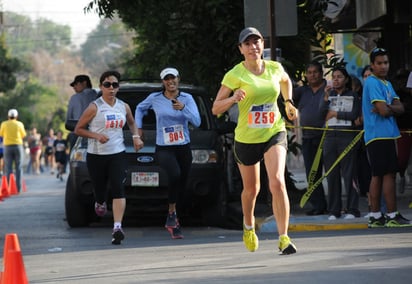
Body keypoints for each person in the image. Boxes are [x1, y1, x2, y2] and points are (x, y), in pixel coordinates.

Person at [212, 27, 297, 255]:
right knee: (252, 189)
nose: (253, 47)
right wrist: (232, 98)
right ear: (241, 49)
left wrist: (288, 102)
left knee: (277, 182)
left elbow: (286, 80)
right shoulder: (235, 74)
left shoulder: (274, 68)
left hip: (273, 131)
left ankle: (284, 238)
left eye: (257, 42)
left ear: (263, 45)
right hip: (247, 138)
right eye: (247, 44)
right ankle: (248, 225)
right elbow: (215, 108)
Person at [74, 70, 143, 244]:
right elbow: (78, 129)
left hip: (117, 153)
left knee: (119, 188)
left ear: (118, 87)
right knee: (99, 188)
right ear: (101, 87)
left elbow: (132, 122)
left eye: (114, 85)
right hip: (97, 155)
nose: (111, 88)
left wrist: (136, 137)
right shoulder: (94, 107)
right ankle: (99, 202)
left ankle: (117, 227)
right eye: (107, 85)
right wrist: (96, 136)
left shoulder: (123, 106)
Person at [135, 67, 201, 239]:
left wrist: (184, 109)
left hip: (183, 146)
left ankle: (173, 219)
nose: (170, 82)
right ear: (163, 82)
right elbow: (140, 109)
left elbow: (197, 122)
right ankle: (171, 212)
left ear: (178, 79)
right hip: (164, 146)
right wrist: (138, 128)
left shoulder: (187, 98)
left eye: (173, 78)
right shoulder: (155, 98)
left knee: (182, 182)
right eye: (167, 79)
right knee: (175, 174)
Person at [362, 47, 412, 228]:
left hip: (388, 135)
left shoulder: (387, 84)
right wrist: (390, 109)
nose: (384, 66)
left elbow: (401, 108)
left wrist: (389, 108)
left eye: (386, 62)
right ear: (372, 65)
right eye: (379, 63)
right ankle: (388, 215)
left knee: (384, 174)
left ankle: (378, 215)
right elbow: (383, 111)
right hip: (378, 135)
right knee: (384, 175)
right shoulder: (373, 82)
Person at [319, 67, 361, 220]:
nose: (336, 79)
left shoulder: (353, 95)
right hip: (330, 137)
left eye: (339, 77)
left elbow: (354, 115)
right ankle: (334, 210)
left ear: (346, 79)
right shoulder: (327, 95)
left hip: (347, 136)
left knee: (349, 173)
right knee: (331, 174)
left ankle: (352, 209)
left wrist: (336, 113)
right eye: (334, 77)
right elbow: (320, 115)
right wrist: (324, 98)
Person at [293, 61, 328, 216]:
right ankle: (318, 205)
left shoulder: (329, 88)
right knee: (312, 174)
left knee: (332, 172)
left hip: (327, 136)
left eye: (315, 72)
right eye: (309, 72)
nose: (312, 75)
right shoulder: (302, 91)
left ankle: (335, 206)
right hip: (307, 137)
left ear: (321, 73)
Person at [391, 68, 412, 194]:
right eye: (399, 79)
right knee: (402, 158)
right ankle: (402, 176)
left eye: (404, 79)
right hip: (402, 130)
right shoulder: (396, 95)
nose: (402, 82)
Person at [66, 74, 98, 149]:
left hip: (78, 135)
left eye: (76, 84)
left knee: (75, 158)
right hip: (98, 134)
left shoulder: (74, 98)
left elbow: (69, 119)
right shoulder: (99, 97)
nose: (74, 87)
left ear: (84, 83)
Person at [0, 109, 27, 192]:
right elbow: (23, 135)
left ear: (8, 116)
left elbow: (1, 134)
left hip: (7, 146)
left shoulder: (4, 124)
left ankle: (9, 188)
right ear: (16, 116)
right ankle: (18, 188)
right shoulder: (19, 124)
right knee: (19, 167)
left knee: (8, 167)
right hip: (18, 146)